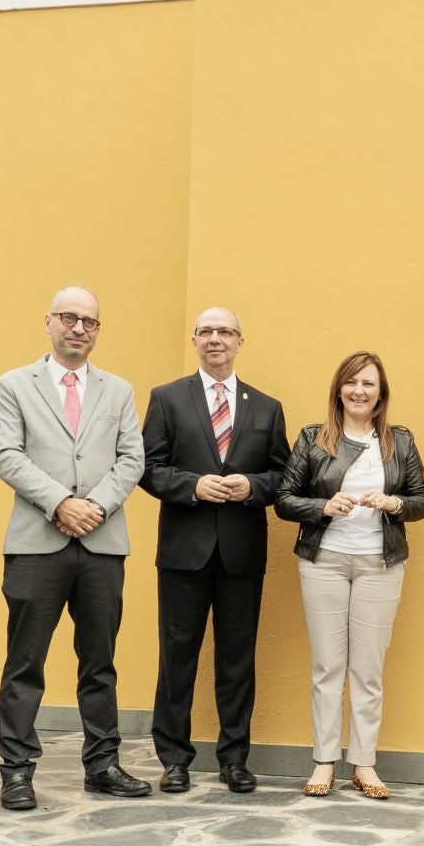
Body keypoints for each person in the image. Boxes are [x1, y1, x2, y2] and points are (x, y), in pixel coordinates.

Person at [0, 286, 150, 810]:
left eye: (89, 321)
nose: (79, 328)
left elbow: (132, 460)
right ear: (49, 322)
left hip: (102, 545)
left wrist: (95, 507)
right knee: (25, 661)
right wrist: (61, 503)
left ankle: (102, 764)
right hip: (37, 543)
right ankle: (16, 770)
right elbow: (8, 456)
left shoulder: (119, 390)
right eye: (69, 318)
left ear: (98, 330)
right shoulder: (14, 384)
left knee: (99, 661)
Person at [140, 307, 290, 794]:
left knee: (237, 659)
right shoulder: (167, 399)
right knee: (176, 657)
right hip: (184, 552)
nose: (215, 339)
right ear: (195, 340)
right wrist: (192, 486)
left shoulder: (267, 407)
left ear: (240, 341)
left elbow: (284, 476)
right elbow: (147, 467)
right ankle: (174, 759)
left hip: (242, 554)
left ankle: (235, 758)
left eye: (224, 332)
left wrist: (252, 486)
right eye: (206, 332)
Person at [274, 351, 424, 798]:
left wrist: (395, 503)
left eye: (369, 384)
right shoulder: (313, 438)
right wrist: (322, 506)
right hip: (324, 561)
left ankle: (364, 763)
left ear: (381, 395)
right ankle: (324, 762)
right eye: (352, 383)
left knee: (368, 669)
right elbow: (285, 498)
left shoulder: (398, 442)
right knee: (328, 666)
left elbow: (422, 499)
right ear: (338, 389)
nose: (359, 391)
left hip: (380, 564)